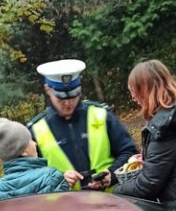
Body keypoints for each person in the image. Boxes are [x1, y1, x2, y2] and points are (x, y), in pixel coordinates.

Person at [113, 59, 176, 211]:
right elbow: (168, 163)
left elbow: (147, 185)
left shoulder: (166, 128)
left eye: (135, 91)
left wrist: (115, 191)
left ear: (147, 90)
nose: (133, 97)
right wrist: (148, 159)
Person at [27, 59, 137, 191]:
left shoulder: (101, 114)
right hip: (66, 208)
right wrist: (57, 179)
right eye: (61, 98)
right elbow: (29, 178)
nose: (68, 104)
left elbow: (129, 152)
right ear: (47, 90)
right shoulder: (36, 129)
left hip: (110, 203)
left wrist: (112, 175)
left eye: (73, 96)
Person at [0, 117, 70, 200]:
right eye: (30, 141)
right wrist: (63, 184)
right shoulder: (51, 176)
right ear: (23, 151)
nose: (35, 143)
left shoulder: (0, 188)